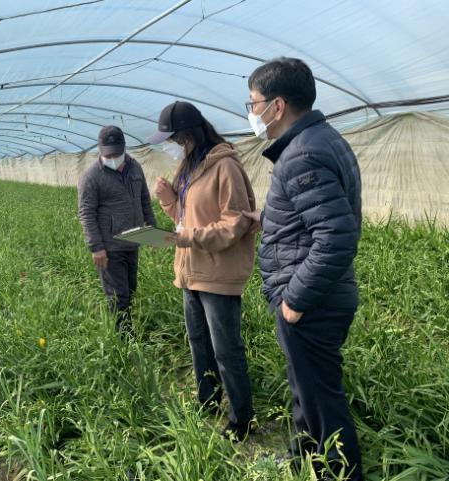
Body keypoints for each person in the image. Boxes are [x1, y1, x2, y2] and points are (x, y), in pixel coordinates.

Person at [242, 57, 363, 480]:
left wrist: (295, 300)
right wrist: (269, 219)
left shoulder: (302, 154)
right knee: (305, 390)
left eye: (253, 103)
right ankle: (303, 458)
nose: (251, 112)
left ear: (277, 106)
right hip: (318, 293)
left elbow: (335, 236)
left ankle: (339, 473)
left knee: (323, 401)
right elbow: (316, 215)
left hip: (311, 300)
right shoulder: (321, 139)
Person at [148, 101, 256, 440]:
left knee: (226, 349)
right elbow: (185, 219)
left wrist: (189, 237)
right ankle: (208, 401)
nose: (172, 146)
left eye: (174, 139)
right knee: (199, 342)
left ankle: (241, 418)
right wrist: (169, 199)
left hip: (218, 272)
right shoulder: (189, 167)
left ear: (189, 135)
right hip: (191, 269)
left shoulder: (225, 167)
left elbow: (235, 223)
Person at [77, 125, 156, 333]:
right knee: (118, 295)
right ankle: (123, 339)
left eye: (116, 153)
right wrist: (96, 247)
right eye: (108, 154)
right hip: (110, 247)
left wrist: (151, 227)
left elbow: (144, 198)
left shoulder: (135, 167)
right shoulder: (91, 176)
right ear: (100, 150)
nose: (113, 158)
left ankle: (128, 329)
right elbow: (86, 213)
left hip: (133, 240)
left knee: (130, 289)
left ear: (124, 148)